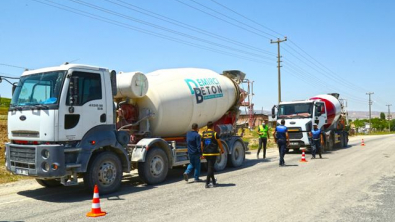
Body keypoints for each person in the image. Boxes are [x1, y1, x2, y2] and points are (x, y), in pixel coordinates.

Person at [202, 121, 224, 188]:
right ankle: (207, 183)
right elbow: (219, 142)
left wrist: (202, 152)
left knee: (210, 167)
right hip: (213, 152)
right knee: (210, 168)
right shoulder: (214, 134)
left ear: (207, 127)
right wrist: (222, 149)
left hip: (206, 153)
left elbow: (201, 144)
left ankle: (214, 182)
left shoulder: (203, 134)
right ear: (212, 126)